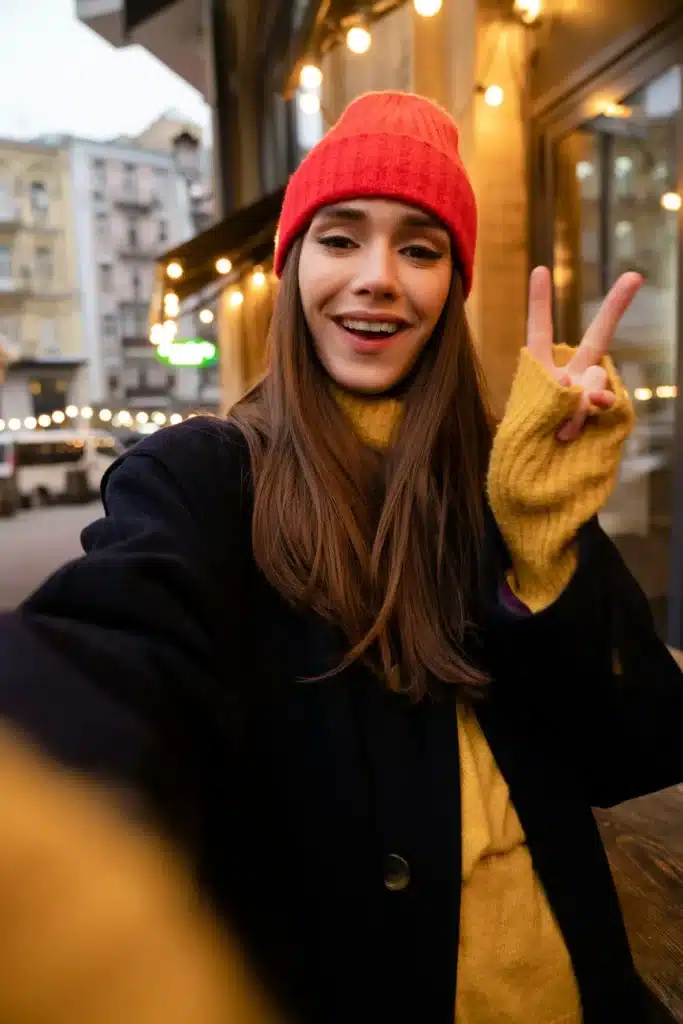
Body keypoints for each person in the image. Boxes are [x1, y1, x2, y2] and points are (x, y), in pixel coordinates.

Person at [0, 90, 681, 1023]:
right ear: (291, 267)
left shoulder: (509, 471)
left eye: (419, 247)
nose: (377, 278)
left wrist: (542, 542)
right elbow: (119, 646)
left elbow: (635, 749)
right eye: (340, 237)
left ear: (451, 286)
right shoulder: (203, 476)